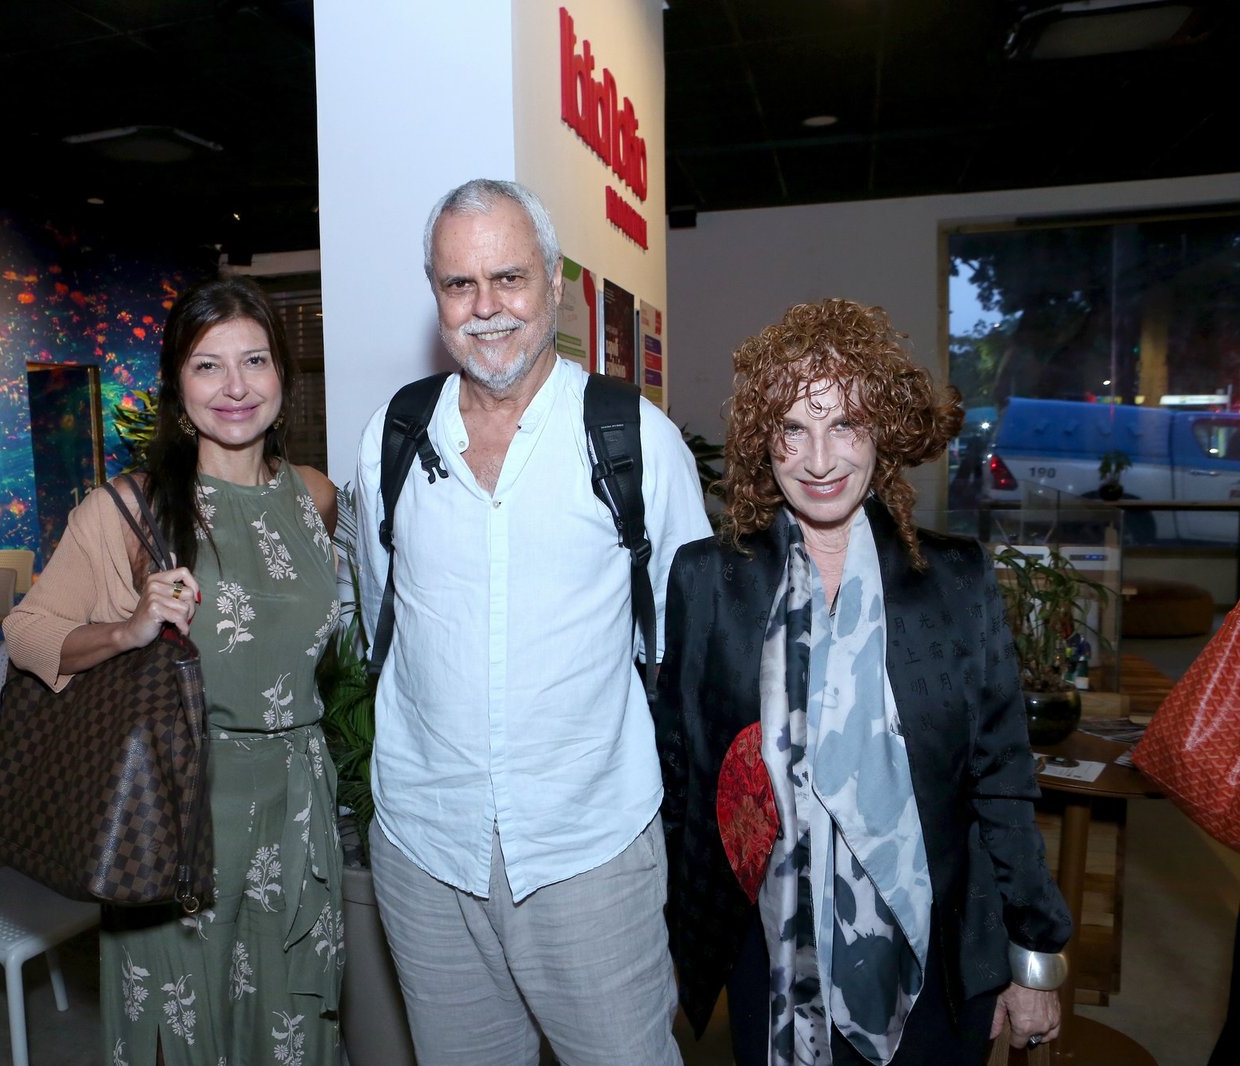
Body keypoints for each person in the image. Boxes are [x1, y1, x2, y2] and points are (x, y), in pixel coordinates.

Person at [655, 298, 1073, 1066]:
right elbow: (678, 775)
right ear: (763, 440)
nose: (819, 460)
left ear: (883, 430)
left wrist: (1032, 954)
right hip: (768, 954)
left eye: (844, 424)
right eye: (793, 429)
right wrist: (671, 937)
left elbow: (1002, 782)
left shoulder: (953, 580)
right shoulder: (709, 581)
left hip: (935, 958)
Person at [354, 178, 709, 1065]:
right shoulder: (392, 438)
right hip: (425, 848)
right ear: (436, 296)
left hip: (588, 851)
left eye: (508, 278)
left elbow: (689, 643)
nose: (486, 308)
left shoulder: (636, 441)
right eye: (459, 284)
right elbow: (381, 614)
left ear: (554, 283)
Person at [4, 276, 343, 1065]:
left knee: (289, 1023)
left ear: (284, 375)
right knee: (186, 1025)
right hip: (177, 810)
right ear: (176, 386)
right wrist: (128, 630)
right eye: (207, 366)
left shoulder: (316, 498)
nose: (235, 387)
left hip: (297, 805)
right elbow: (26, 634)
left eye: (254, 361)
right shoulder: (129, 508)